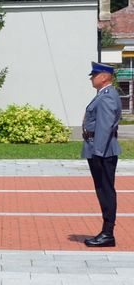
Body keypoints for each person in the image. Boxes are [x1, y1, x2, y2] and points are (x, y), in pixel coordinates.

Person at [83, 62, 123, 248]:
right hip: (99, 149)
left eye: (95, 75)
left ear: (105, 76)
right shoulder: (104, 94)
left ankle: (108, 233)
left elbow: (105, 126)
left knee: (105, 191)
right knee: (103, 190)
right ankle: (106, 232)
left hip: (102, 151)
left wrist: (98, 152)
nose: (92, 78)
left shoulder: (107, 97)